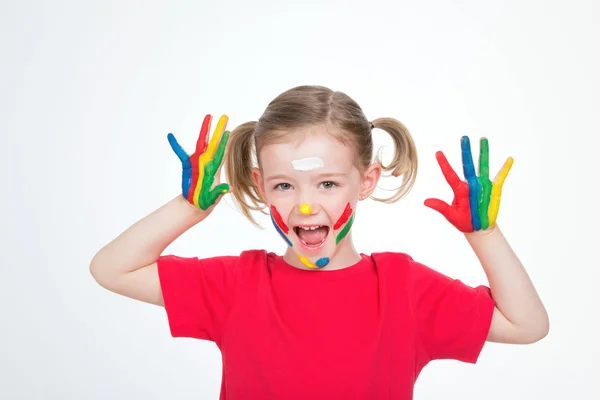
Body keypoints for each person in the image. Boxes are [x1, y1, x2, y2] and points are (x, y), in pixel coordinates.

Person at [89, 85, 549, 399]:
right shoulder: (237, 283)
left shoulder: (402, 287)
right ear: (261, 184)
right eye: (285, 186)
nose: (305, 206)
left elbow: (527, 326)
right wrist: (189, 207)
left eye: (327, 184)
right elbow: (111, 269)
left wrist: (484, 234)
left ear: (365, 181)